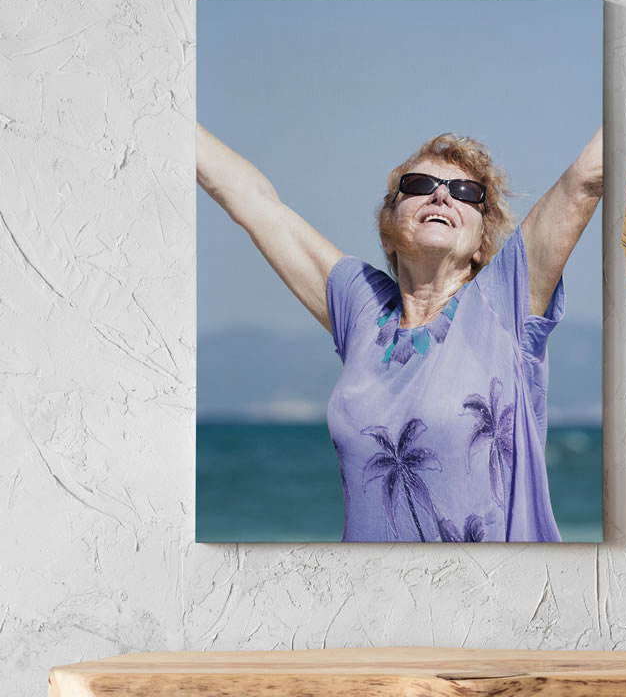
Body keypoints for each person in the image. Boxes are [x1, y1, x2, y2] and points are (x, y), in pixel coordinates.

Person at [197, 126, 603, 542]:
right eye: (420, 185)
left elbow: (586, 180)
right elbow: (254, 203)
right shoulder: (362, 309)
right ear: (388, 225)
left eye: (465, 191)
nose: (442, 195)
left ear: (483, 241)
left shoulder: (504, 303)